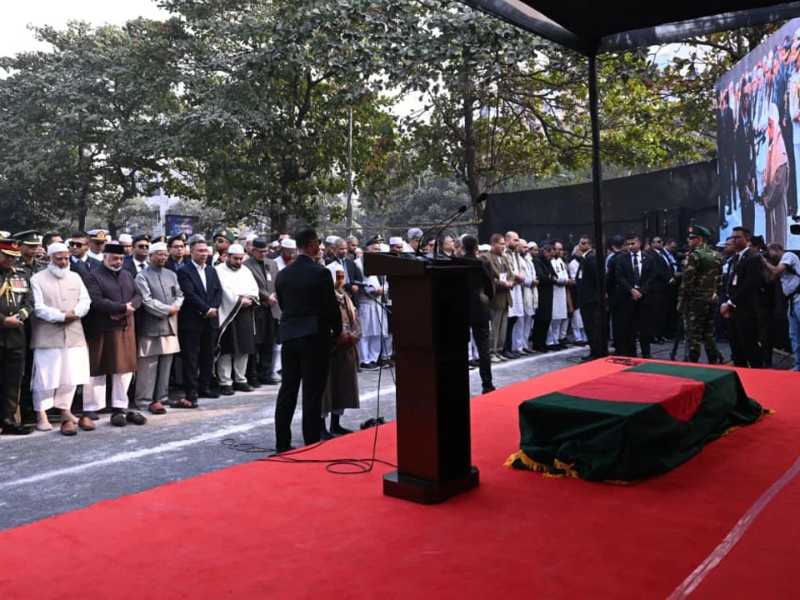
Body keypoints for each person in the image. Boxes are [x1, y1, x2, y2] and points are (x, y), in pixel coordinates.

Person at [274, 227, 343, 453]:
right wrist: (338, 330)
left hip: (290, 335)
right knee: (312, 393)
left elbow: (283, 305)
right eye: (318, 244)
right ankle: (311, 441)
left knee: (288, 390)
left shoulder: (283, 274)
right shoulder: (320, 272)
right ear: (312, 245)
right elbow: (330, 307)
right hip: (314, 336)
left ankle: (282, 442)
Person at [30, 243, 93, 435]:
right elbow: (38, 307)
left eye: (66, 258)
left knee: (72, 375)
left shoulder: (75, 276)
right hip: (47, 334)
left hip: (74, 332)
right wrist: (61, 316)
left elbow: (86, 300)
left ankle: (66, 410)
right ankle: (42, 414)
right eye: (59, 258)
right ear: (50, 258)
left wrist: (76, 313)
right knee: (46, 376)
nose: (63, 262)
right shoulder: (37, 279)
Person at [82, 242, 147, 427]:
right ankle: (92, 407)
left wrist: (130, 307)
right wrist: (121, 307)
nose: (118, 262)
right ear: (105, 258)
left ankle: (120, 406)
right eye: (114, 258)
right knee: (97, 368)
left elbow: (138, 295)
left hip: (125, 328)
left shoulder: (127, 274)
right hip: (101, 329)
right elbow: (95, 300)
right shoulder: (93, 276)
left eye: (120, 259)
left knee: (124, 369)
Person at [133, 242, 184, 414]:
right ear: (151, 256)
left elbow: (179, 294)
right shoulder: (142, 276)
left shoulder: (171, 274)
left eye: (164, 254)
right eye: (159, 254)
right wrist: (168, 309)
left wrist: (177, 305)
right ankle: (143, 400)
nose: (162, 257)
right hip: (151, 326)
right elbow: (146, 301)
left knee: (166, 364)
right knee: (148, 366)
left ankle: (161, 398)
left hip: (170, 325)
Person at [178, 236, 223, 405]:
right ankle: (191, 391)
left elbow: (218, 291)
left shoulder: (211, 270)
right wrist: (205, 309)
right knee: (191, 358)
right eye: (200, 251)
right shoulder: (184, 270)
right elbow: (189, 294)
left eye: (206, 250)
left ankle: (204, 387)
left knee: (208, 355)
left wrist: (214, 308)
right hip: (192, 320)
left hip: (210, 321)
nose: (204, 254)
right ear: (191, 251)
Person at [321, 265, 361, 438]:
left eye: (342, 276)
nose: (340, 280)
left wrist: (354, 335)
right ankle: (321, 428)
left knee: (342, 385)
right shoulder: (323, 297)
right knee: (326, 389)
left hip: (346, 347)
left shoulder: (345, 296)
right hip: (329, 348)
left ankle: (336, 424)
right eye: (337, 276)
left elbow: (354, 319)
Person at [0, 238, 34, 435]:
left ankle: (9, 419)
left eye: (14, 257)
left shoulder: (20, 274)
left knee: (13, 380)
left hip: (16, 335)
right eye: (7, 257)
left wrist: (21, 315)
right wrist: (4, 321)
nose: (11, 261)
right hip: (3, 328)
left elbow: (29, 300)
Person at [215, 244, 259, 395]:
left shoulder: (246, 270)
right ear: (227, 256)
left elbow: (254, 288)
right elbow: (224, 290)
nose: (239, 262)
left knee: (244, 349)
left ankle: (241, 379)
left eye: (241, 259)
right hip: (227, 313)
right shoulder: (219, 270)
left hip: (245, 314)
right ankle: (225, 382)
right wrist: (240, 300)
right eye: (235, 259)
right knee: (226, 349)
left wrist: (251, 298)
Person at [677, 226, 724, 364]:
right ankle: (714, 361)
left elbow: (687, 281)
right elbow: (720, 279)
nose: (688, 240)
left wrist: (681, 301)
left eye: (691, 238)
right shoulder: (717, 255)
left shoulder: (695, 255)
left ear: (699, 239)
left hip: (696, 300)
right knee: (708, 333)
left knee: (693, 334)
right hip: (712, 298)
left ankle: (693, 363)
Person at [720, 227, 765, 368]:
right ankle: (740, 378)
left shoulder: (754, 257)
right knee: (736, 347)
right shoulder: (735, 257)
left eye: (737, 237)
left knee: (750, 346)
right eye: (732, 237)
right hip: (733, 310)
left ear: (747, 239)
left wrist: (730, 302)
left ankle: (758, 380)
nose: (734, 240)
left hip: (747, 310)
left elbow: (751, 284)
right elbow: (731, 282)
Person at [244, 237, 280, 386]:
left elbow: (277, 282)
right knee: (256, 344)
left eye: (266, 251)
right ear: (253, 251)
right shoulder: (246, 265)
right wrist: (266, 296)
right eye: (260, 251)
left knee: (269, 343)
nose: (264, 254)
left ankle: (266, 374)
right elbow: (250, 286)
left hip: (272, 309)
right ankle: (253, 375)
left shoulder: (272, 264)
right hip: (257, 309)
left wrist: (275, 296)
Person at [612, 234, 656, 358]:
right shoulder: (622, 258)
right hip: (628, 298)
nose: (631, 246)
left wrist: (641, 291)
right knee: (629, 327)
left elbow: (652, 277)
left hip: (644, 298)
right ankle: (632, 354)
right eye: (628, 244)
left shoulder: (649, 258)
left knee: (645, 328)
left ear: (639, 243)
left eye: (633, 243)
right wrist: (631, 290)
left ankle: (646, 353)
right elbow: (620, 277)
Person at [463, 235, 495, 392]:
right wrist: (487, 297)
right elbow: (489, 285)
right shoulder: (482, 263)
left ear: (463, 247)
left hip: (461, 307)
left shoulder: (457, 263)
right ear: (476, 247)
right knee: (484, 349)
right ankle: (487, 384)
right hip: (480, 306)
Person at [762, 243, 800, 370]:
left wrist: (764, 262)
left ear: (777, 250)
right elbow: (771, 278)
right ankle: (798, 364)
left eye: (770, 252)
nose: (769, 255)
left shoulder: (789, 255)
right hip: (792, 301)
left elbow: (777, 271)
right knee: (794, 334)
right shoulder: (779, 262)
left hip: (799, 298)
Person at [485, 233, 513, 361]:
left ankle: (499, 350)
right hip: (495, 297)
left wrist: (511, 282)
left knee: (503, 326)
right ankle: (491, 351)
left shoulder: (505, 258)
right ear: (493, 244)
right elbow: (492, 275)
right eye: (501, 244)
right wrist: (503, 282)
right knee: (494, 326)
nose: (503, 246)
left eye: (504, 244)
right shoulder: (487, 257)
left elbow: (511, 274)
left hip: (506, 296)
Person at [531, 243, 556, 352]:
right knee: (540, 319)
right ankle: (537, 343)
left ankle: (543, 342)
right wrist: (549, 278)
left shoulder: (548, 261)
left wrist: (550, 278)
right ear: (545, 251)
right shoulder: (537, 261)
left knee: (547, 319)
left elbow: (554, 276)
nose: (550, 256)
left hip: (549, 293)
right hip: (541, 294)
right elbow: (541, 277)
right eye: (549, 253)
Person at [548, 241, 569, 349]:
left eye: (561, 249)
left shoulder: (561, 261)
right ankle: (550, 341)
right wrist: (564, 280)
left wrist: (566, 280)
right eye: (557, 249)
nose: (559, 251)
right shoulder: (550, 261)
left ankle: (557, 340)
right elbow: (553, 277)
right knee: (553, 317)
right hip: (554, 291)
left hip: (562, 291)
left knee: (560, 317)